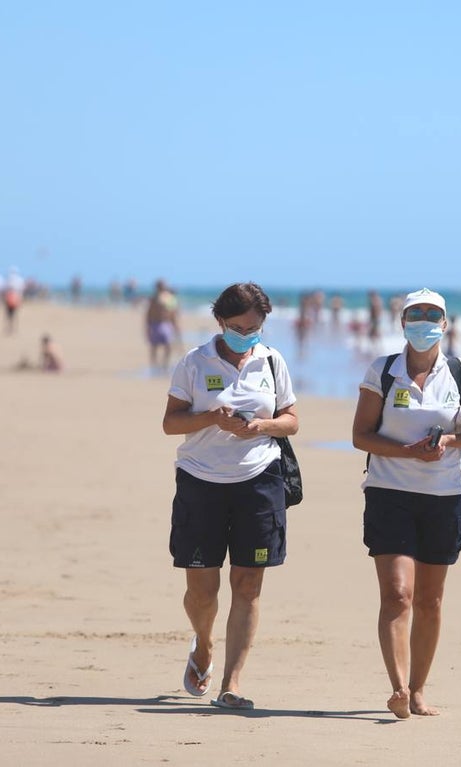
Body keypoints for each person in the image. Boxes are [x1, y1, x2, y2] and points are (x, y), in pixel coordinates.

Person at [351, 287, 461, 719]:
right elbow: (361, 435)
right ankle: (397, 688)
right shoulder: (382, 371)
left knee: (430, 602)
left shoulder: (460, 372)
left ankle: (418, 691)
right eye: (415, 315)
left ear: (445, 324)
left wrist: (452, 440)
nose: (424, 323)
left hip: (444, 497)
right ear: (402, 323)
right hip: (389, 493)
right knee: (398, 594)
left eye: (432, 315)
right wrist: (409, 451)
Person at [162, 282, 299, 710]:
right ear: (220, 321)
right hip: (201, 480)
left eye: (255, 327)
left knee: (248, 583)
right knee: (202, 590)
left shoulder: (272, 362)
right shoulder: (194, 362)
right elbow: (170, 423)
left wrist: (261, 427)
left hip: (259, 479)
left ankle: (231, 683)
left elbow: (291, 421)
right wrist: (210, 418)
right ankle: (203, 644)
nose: (247, 334)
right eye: (238, 327)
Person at [145, 279, 181, 373]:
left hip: (166, 324)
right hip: (155, 324)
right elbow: (149, 313)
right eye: (160, 286)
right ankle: (154, 366)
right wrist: (148, 326)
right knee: (154, 346)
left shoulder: (169, 298)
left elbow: (172, 313)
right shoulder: (153, 298)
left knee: (168, 346)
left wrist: (175, 325)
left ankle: (165, 365)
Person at [4, 267, 25, 335]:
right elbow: (21, 291)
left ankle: (10, 327)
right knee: (14, 314)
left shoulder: (8, 279)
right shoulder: (19, 280)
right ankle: (13, 328)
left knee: (9, 314)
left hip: (10, 298)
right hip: (15, 298)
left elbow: (5, 289)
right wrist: (20, 300)